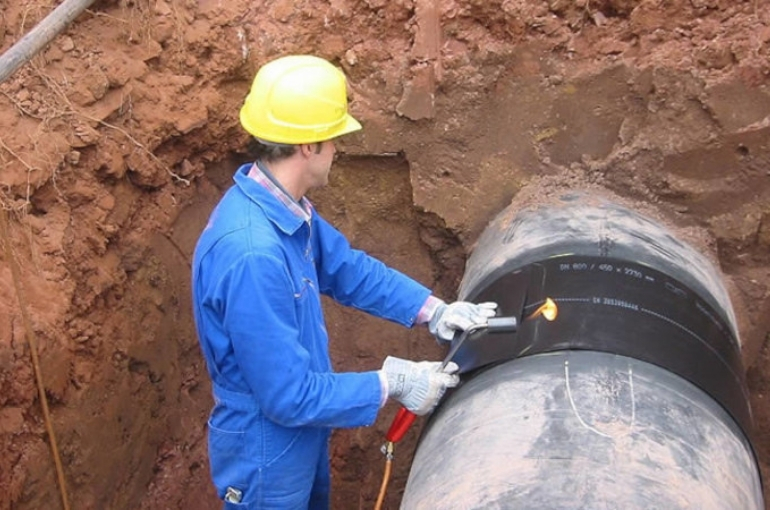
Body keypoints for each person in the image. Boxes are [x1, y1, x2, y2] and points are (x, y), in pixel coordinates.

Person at [191, 55, 498, 509]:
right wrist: (391, 382)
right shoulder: (253, 255)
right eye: (334, 138)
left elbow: (346, 268)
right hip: (266, 453)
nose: (337, 148)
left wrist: (434, 311)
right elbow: (288, 396)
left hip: (301, 432)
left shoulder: (282, 209)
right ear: (308, 145)